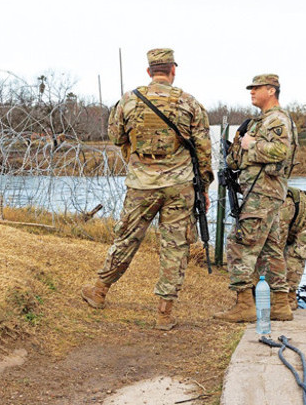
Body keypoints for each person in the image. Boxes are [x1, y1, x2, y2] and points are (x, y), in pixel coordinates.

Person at [80, 48, 213, 331]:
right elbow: (203, 149)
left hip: (142, 183)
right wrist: (204, 187)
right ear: (173, 70)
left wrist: (136, 152)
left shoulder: (129, 100)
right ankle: (164, 313)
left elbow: (116, 136)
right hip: (180, 185)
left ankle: (100, 290)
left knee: (127, 237)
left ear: (149, 72)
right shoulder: (190, 103)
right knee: (175, 246)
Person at [214, 74, 298, 323]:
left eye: (256, 88)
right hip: (262, 194)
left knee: (240, 244)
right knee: (271, 250)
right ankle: (281, 305)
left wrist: (251, 145)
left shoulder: (276, 120)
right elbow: (239, 159)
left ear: (271, 91)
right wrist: (236, 147)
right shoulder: (259, 122)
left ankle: (244, 305)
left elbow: (279, 152)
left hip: (262, 194)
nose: (251, 92)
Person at [279, 187, 306, 310]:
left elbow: (276, 247)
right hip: (293, 220)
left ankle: (289, 297)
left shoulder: (282, 209)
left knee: (295, 256)